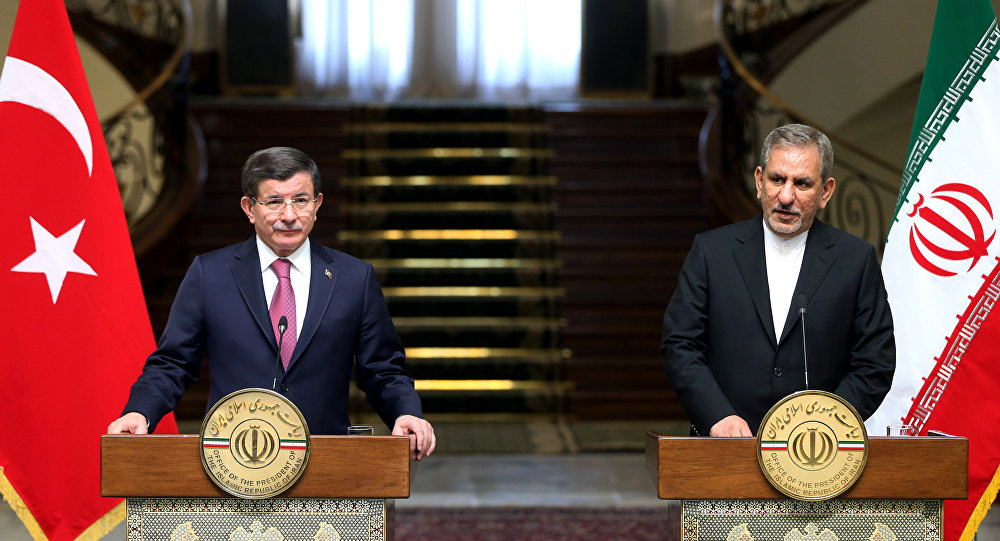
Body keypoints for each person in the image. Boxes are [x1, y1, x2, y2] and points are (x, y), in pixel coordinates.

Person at [108, 147, 435, 459]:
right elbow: (173, 363)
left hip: (324, 461)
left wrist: (405, 412)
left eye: (301, 200)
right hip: (232, 461)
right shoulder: (210, 275)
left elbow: (382, 369)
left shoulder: (353, 278)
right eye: (274, 202)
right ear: (250, 208)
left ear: (318, 203)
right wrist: (141, 412)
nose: (289, 215)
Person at [661, 124, 894, 437]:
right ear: (759, 181)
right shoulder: (711, 252)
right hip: (725, 449)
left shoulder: (856, 260)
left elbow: (875, 362)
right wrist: (717, 416)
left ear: (825, 191)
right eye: (776, 179)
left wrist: (826, 424)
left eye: (802, 183)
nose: (786, 196)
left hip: (818, 455)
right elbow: (681, 344)